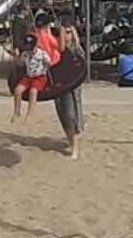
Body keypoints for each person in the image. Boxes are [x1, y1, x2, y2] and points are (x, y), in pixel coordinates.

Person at [11, 14, 58, 121]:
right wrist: (15, 57)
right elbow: (20, 64)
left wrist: (48, 64)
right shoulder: (25, 54)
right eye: (27, 49)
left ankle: (30, 113)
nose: (29, 51)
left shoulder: (42, 53)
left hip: (40, 77)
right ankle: (17, 112)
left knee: (33, 91)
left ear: (35, 46)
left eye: (30, 49)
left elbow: (49, 63)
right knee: (17, 90)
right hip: (29, 76)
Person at [53, 24, 84, 159]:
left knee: (71, 115)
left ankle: (75, 147)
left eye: (68, 32)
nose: (65, 35)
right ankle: (71, 142)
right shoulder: (56, 49)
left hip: (71, 87)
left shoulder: (77, 50)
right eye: (63, 32)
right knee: (63, 115)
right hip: (59, 86)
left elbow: (80, 67)